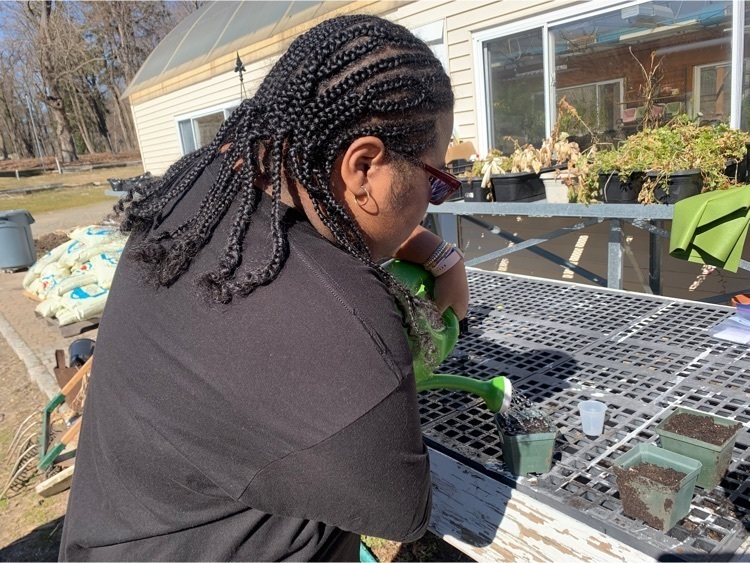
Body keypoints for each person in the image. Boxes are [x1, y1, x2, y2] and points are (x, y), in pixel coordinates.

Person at [59, 13, 469, 562]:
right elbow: (404, 511)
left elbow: (331, 217)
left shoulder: (196, 188)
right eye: (436, 181)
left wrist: (435, 253)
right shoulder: (344, 327)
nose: (432, 203)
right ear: (364, 166)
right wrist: (451, 307)